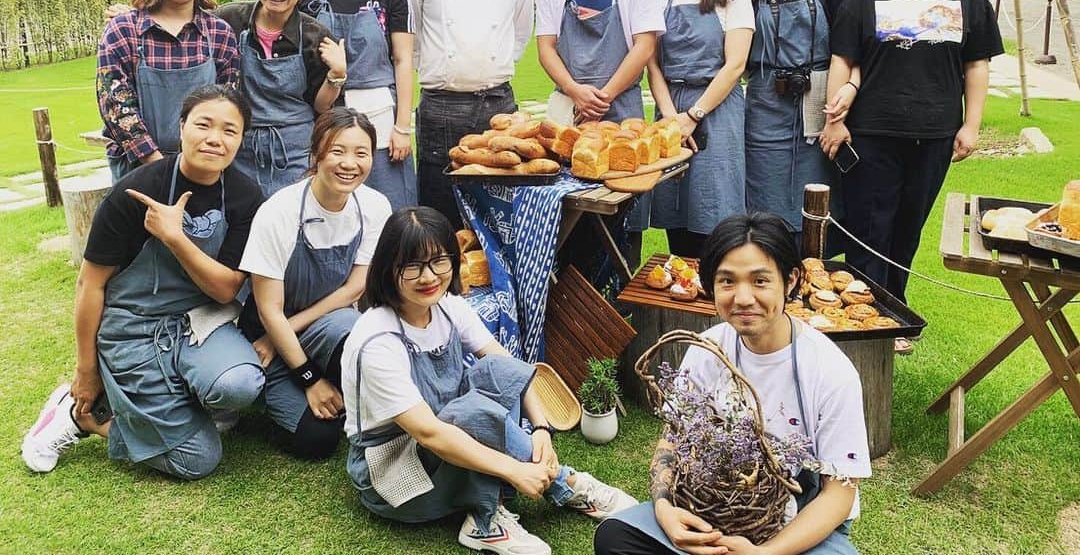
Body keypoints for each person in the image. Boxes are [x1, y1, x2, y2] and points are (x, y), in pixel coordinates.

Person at [342, 206, 637, 555]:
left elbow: (504, 364)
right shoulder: (377, 340)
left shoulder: (447, 305)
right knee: (471, 413)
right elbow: (428, 432)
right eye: (412, 265)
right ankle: (536, 497)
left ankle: (502, 500)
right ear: (389, 270)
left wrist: (540, 427)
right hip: (396, 473)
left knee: (490, 372)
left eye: (439, 261)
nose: (428, 276)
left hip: (447, 435)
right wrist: (514, 469)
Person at [21, 85, 265, 480]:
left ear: (240, 139)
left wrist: (174, 237)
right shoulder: (135, 192)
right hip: (134, 327)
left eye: (229, 130)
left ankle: (176, 404)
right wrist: (86, 371)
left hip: (200, 321)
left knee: (239, 384)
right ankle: (83, 416)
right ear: (182, 126)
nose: (215, 139)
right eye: (203, 124)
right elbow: (90, 285)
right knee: (198, 458)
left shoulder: (244, 195)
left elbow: (224, 289)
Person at [595, 212, 871, 555]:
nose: (742, 298)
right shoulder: (707, 349)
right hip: (711, 509)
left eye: (759, 281)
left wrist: (765, 553)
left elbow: (838, 494)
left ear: (790, 281)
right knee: (616, 539)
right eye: (727, 281)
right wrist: (665, 511)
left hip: (797, 516)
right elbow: (671, 443)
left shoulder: (831, 371)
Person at [823, 0, 1002, 329]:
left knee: (907, 229)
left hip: (935, 134)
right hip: (870, 134)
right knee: (869, 229)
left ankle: (891, 312)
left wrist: (972, 125)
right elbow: (843, 60)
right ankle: (861, 314)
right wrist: (836, 121)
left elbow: (976, 65)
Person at [238, 107, 390, 459]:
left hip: (326, 323)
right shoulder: (280, 211)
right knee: (317, 440)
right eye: (337, 151)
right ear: (316, 153)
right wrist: (309, 379)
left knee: (358, 334)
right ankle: (268, 391)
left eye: (361, 153)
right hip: (267, 332)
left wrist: (295, 326)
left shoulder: (374, 206)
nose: (349, 163)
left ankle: (346, 388)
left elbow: (355, 288)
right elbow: (269, 310)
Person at [536, 0, 666, 254]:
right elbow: (546, 48)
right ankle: (572, 304)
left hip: (621, 107)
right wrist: (576, 91)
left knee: (622, 212)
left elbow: (644, 46)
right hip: (568, 111)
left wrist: (603, 95)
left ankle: (619, 304)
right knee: (568, 214)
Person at [400, 0, 533, 228]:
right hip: (439, 105)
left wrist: (490, 70)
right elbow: (407, 36)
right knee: (439, 215)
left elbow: (521, 31)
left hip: (497, 105)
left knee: (501, 213)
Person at [98, 0, 239, 182]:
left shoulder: (219, 33)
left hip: (206, 166)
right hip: (138, 167)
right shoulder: (124, 30)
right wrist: (156, 164)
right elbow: (115, 105)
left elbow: (230, 101)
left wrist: (200, 163)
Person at [741, 0, 850, 239]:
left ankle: (818, 279)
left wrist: (839, 109)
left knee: (818, 198)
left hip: (820, 98)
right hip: (764, 103)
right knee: (763, 200)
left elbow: (848, 46)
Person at [647, 0, 754, 259]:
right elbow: (653, 63)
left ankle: (715, 299)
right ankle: (681, 294)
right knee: (674, 203)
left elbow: (735, 64)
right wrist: (669, 117)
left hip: (716, 109)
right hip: (670, 110)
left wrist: (692, 116)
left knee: (715, 207)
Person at [301, 0, 417, 211]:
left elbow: (403, 60)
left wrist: (402, 127)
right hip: (324, 113)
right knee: (331, 208)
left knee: (392, 211)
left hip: (379, 113)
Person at [217, 0, 346, 197]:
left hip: (296, 154)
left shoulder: (315, 36)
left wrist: (337, 74)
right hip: (241, 151)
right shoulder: (229, 20)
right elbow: (183, 19)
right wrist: (140, 12)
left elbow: (324, 110)